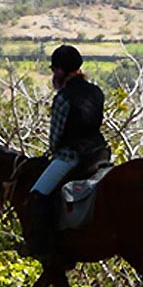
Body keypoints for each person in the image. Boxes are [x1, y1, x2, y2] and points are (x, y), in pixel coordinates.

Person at [23, 45, 109, 260]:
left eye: (54, 71)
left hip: (72, 155)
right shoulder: (96, 91)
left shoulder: (63, 97)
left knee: (37, 194)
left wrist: (54, 152)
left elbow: (56, 137)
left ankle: (44, 246)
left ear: (60, 71)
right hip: (100, 153)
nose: (53, 76)